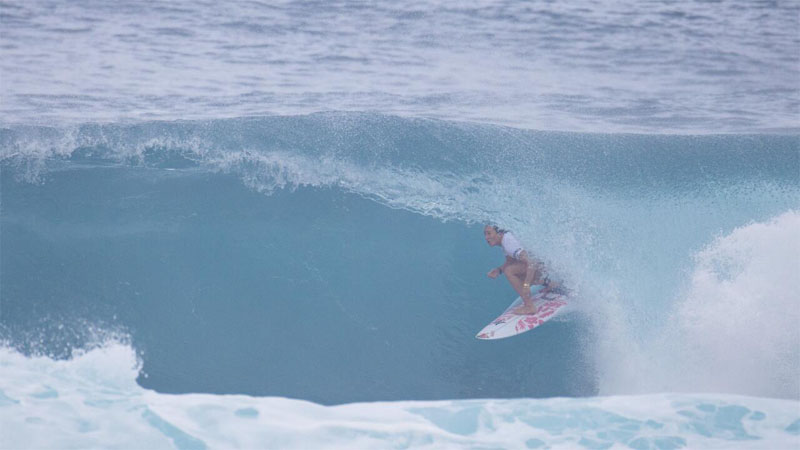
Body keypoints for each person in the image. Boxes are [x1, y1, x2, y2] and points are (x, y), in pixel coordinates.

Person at [484, 225, 555, 315]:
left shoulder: (509, 244)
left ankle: (529, 306)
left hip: (541, 264)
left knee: (509, 271)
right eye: (485, 234)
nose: (486, 238)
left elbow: (531, 263)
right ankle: (551, 283)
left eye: (489, 233)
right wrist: (499, 270)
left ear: (499, 233)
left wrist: (526, 285)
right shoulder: (505, 240)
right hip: (543, 263)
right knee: (514, 270)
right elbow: (511, 262)